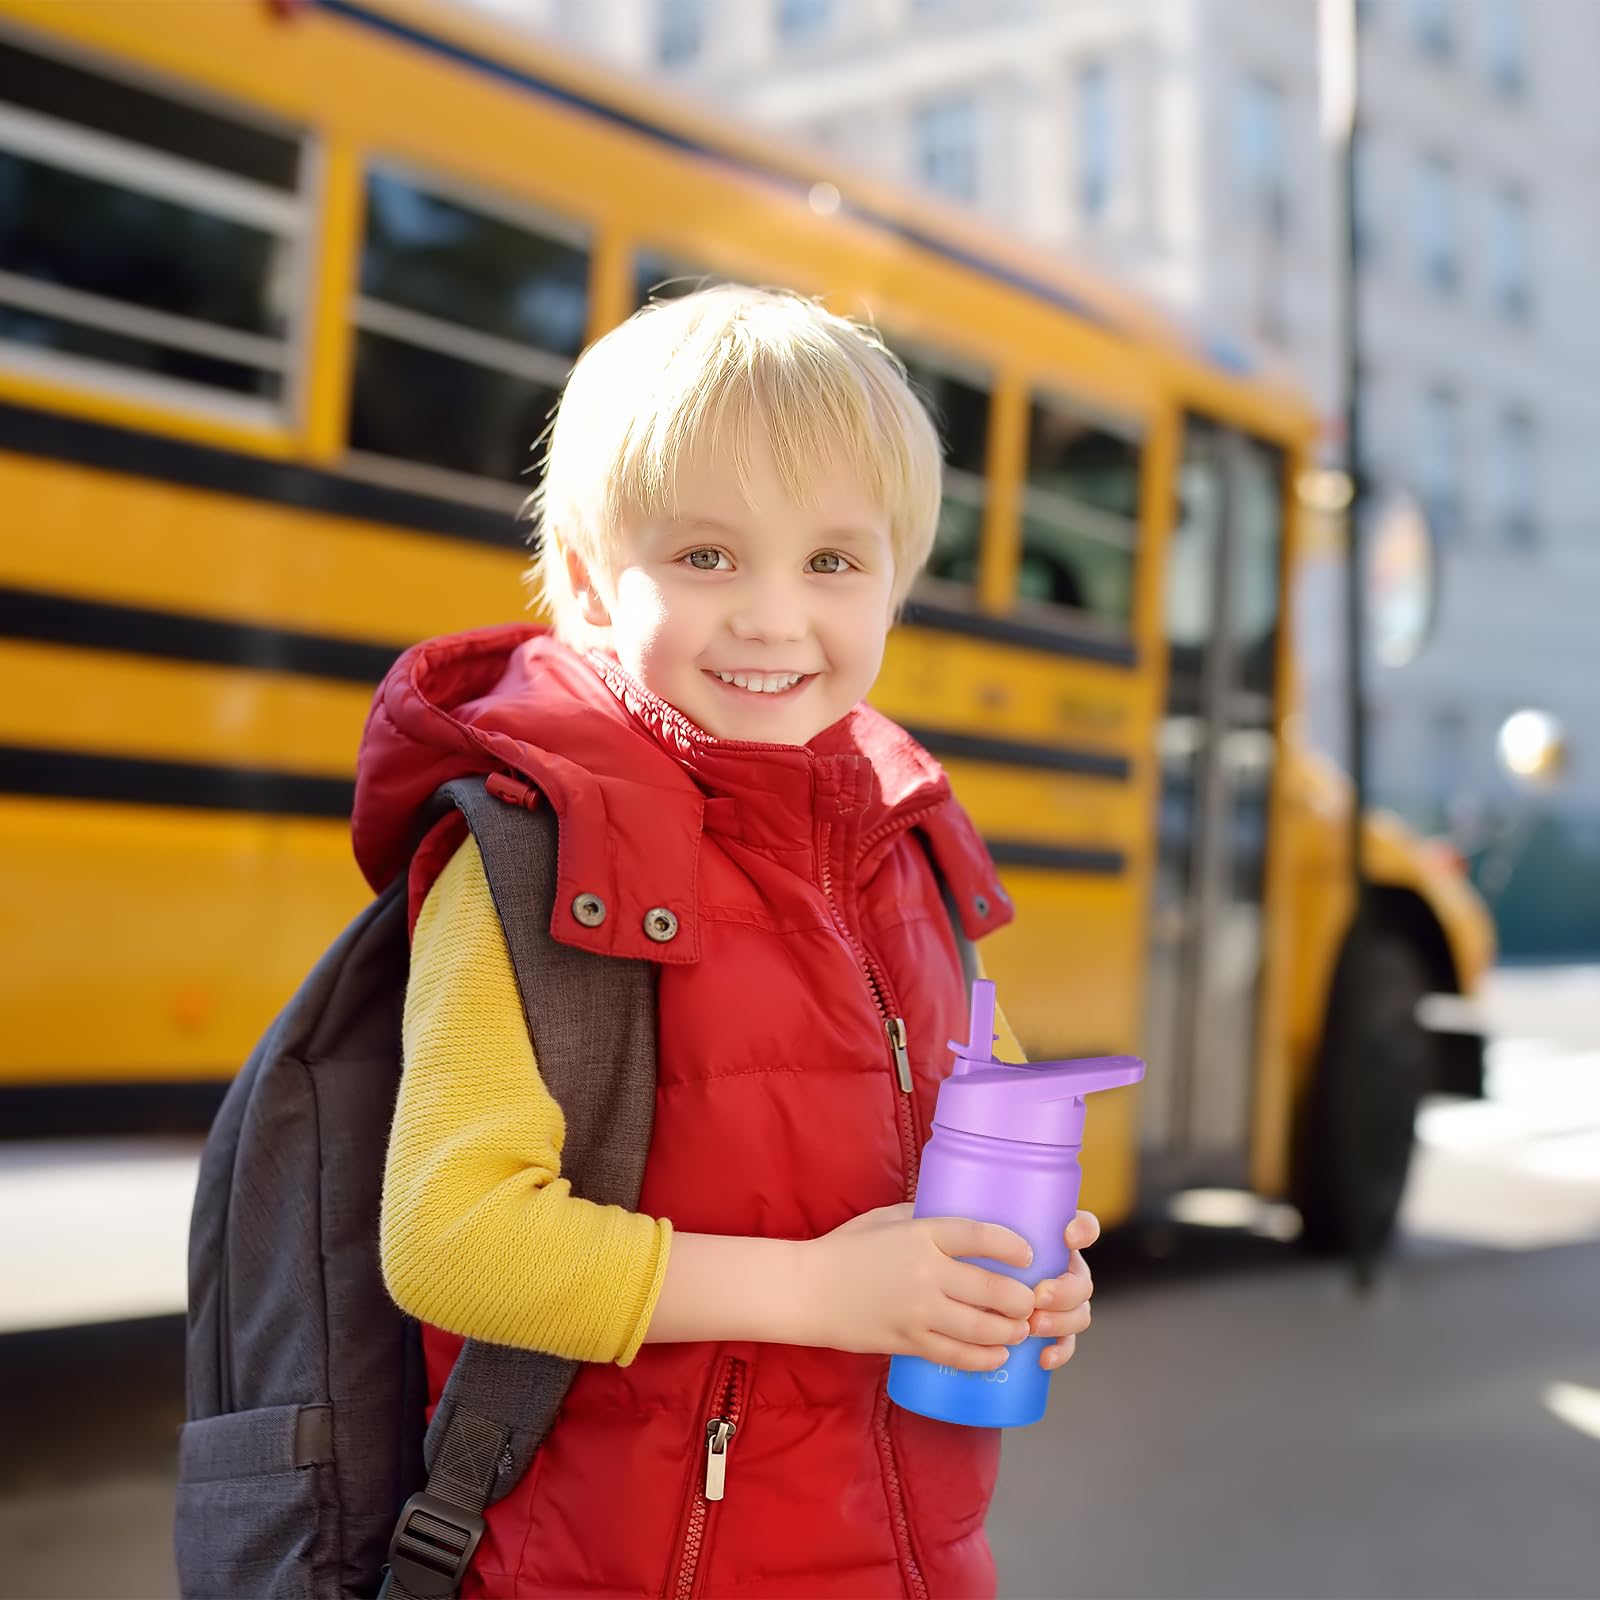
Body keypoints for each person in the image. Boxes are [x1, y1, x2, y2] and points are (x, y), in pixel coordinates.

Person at [357, 285, 1100, 1597]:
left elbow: (967, 1169)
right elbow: (451, 1238)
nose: (771, 615)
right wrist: (821, 1296)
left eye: (832, 561)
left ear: (896, 584)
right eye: (706, 557)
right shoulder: (534, 858)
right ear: (588, 582)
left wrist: (1019, 1289)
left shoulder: (910, 849)